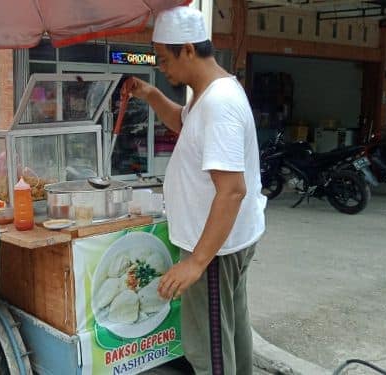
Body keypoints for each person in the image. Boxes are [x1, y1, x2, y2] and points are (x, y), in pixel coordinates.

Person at [126, 7, 267, 375]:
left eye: (163, 59)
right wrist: (152, 95)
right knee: (231, 332)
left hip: (215, 249)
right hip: (226, 242)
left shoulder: (219, 104)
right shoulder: (208, 95)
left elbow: (232, 190)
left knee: (208, 349)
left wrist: (197, 261)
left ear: (187, 49)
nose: (162, 68)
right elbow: (183, 123)